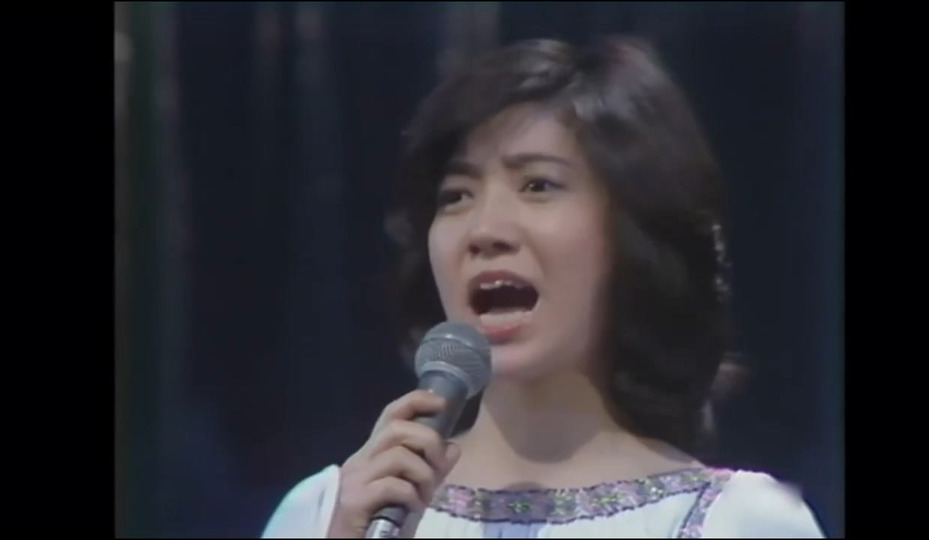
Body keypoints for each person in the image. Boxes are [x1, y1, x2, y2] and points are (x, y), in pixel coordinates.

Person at [262, 37, 826, 538]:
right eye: (456, 196)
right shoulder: (330, 512)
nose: (484, 230)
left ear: (634, 233)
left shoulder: (740, 522)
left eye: (538, 185)